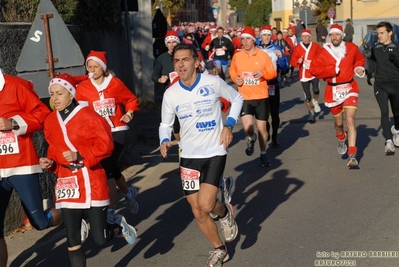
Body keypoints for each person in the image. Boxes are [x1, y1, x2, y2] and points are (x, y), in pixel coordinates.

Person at [159, 43, 243, 267]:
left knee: (206, 205)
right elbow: (165, 123)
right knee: (197, 210)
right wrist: (164, 140)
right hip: (187, 155)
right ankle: (219, 249)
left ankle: (224, 212)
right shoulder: (171, 93)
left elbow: (237, 99)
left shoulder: (212, 82)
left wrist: (229, 126)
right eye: (176, 61)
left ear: (196, 62)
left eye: (185, 59)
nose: (180, 64)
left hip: (214, 150)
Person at [40, 73, 137, 267]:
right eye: (52, 94)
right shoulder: (50, 120)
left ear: (71, 93)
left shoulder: (89, 116)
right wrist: (51, 162)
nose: (55, 98)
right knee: (72, 240)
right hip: (68, 182)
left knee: (100, 238)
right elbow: (54, 148)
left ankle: (116, 225)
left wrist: (79, 154)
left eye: (60, 93)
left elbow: (106, 146)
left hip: (92, 179)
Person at [0, 71, 62, 267]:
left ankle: (71, 213)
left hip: (21, 165)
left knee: (40, 222)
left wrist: (13, 123)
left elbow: (43, 115)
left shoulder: (16, 85)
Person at [75, 51, 140, 223]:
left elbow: (131, 99)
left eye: (95, 67)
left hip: (117, 131)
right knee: (111, 167)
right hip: (97, 135)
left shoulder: (115, 83)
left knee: (107, 169)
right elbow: (81, 112)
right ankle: (127, 192)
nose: (92, 70)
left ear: (103, 68)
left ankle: (110, 210)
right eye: (89, 67)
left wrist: (130, 113)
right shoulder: (83, 88)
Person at [309, 24, 365, 168]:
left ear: (342, 36)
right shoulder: (324, 52)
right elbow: (314, 70)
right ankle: (341, 137)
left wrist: (359, 68)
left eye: (337, 35)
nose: (334, 37)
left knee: (350, 119)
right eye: (332, 35)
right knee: (339, 123)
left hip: (350, 87)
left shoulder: (351, 48)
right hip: (333, 91)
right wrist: (332, 69)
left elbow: (359, 59)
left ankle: (352, 154)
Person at [229, 26, 277, 167]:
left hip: (261, 97)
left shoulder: (263, 55)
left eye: (247, 39)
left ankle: (263, 154)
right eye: (242, 39)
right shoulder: (237, 56)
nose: (244, 42)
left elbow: (272, 73)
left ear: (253, 40)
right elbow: (233, 71)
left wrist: (263, 74)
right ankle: (251, 138)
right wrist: (235, 79)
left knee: (262, 129)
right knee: (248, 128)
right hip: (244, 97)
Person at [367, 21, 399, 154]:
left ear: (390, 33)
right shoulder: (376, 48)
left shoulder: (397, 47)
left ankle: (396, 129)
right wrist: (369, 74)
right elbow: (372, 60)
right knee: (384, 111)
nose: (379, 36)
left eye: (382, 33)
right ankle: (388, 141)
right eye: (378, 33)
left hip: (396, 84)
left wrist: (396, 61)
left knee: (397, 112)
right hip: (380, 84)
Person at [258, 26, 289, 148]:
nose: (266, 38)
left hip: (272, 84)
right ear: (260, 37)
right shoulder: (256, 49)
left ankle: (275, 136)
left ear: (271, 37)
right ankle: (267, 132)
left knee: (275, 113)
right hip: (260, 85)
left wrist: (281, 58)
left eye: (268, 35)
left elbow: (285, 67)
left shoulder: (277, 48)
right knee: (263, 114)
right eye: (264, 35)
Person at [290, 29, 322, 122]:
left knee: (316, 90)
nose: (305, 38)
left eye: (307, 37)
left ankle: (315, 101)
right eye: (303, 37)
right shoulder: (298, 48)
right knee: (307, 96)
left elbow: (321, 56)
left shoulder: (315, 46)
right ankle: (310, 112)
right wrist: (297, 61)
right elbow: (293, 61)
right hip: (304, 74)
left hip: (314, 72)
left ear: (310, 38)